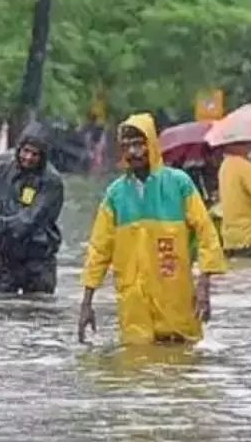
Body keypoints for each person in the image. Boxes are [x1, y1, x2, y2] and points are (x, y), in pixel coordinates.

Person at [78, 114, 227, 346]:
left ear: (152, 144)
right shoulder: (115, 195)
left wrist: (204, 286)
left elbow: (206, 232)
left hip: (175, 294)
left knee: (182, 357)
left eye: (139, 144)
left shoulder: (179, 184)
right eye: (127, 146)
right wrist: (86, 303)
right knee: (136, 363)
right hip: (133, 302)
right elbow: (99, 249)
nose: (134, 152)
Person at [0, 123, 66, 296]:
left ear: (43, 156)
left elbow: (29, 221)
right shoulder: (1, 168)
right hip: (3, 261)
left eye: (35, 154)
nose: (28, 157)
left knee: (37, 316)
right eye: (25, 151)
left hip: (38, 264)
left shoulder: (51, 182)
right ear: (18, 148)